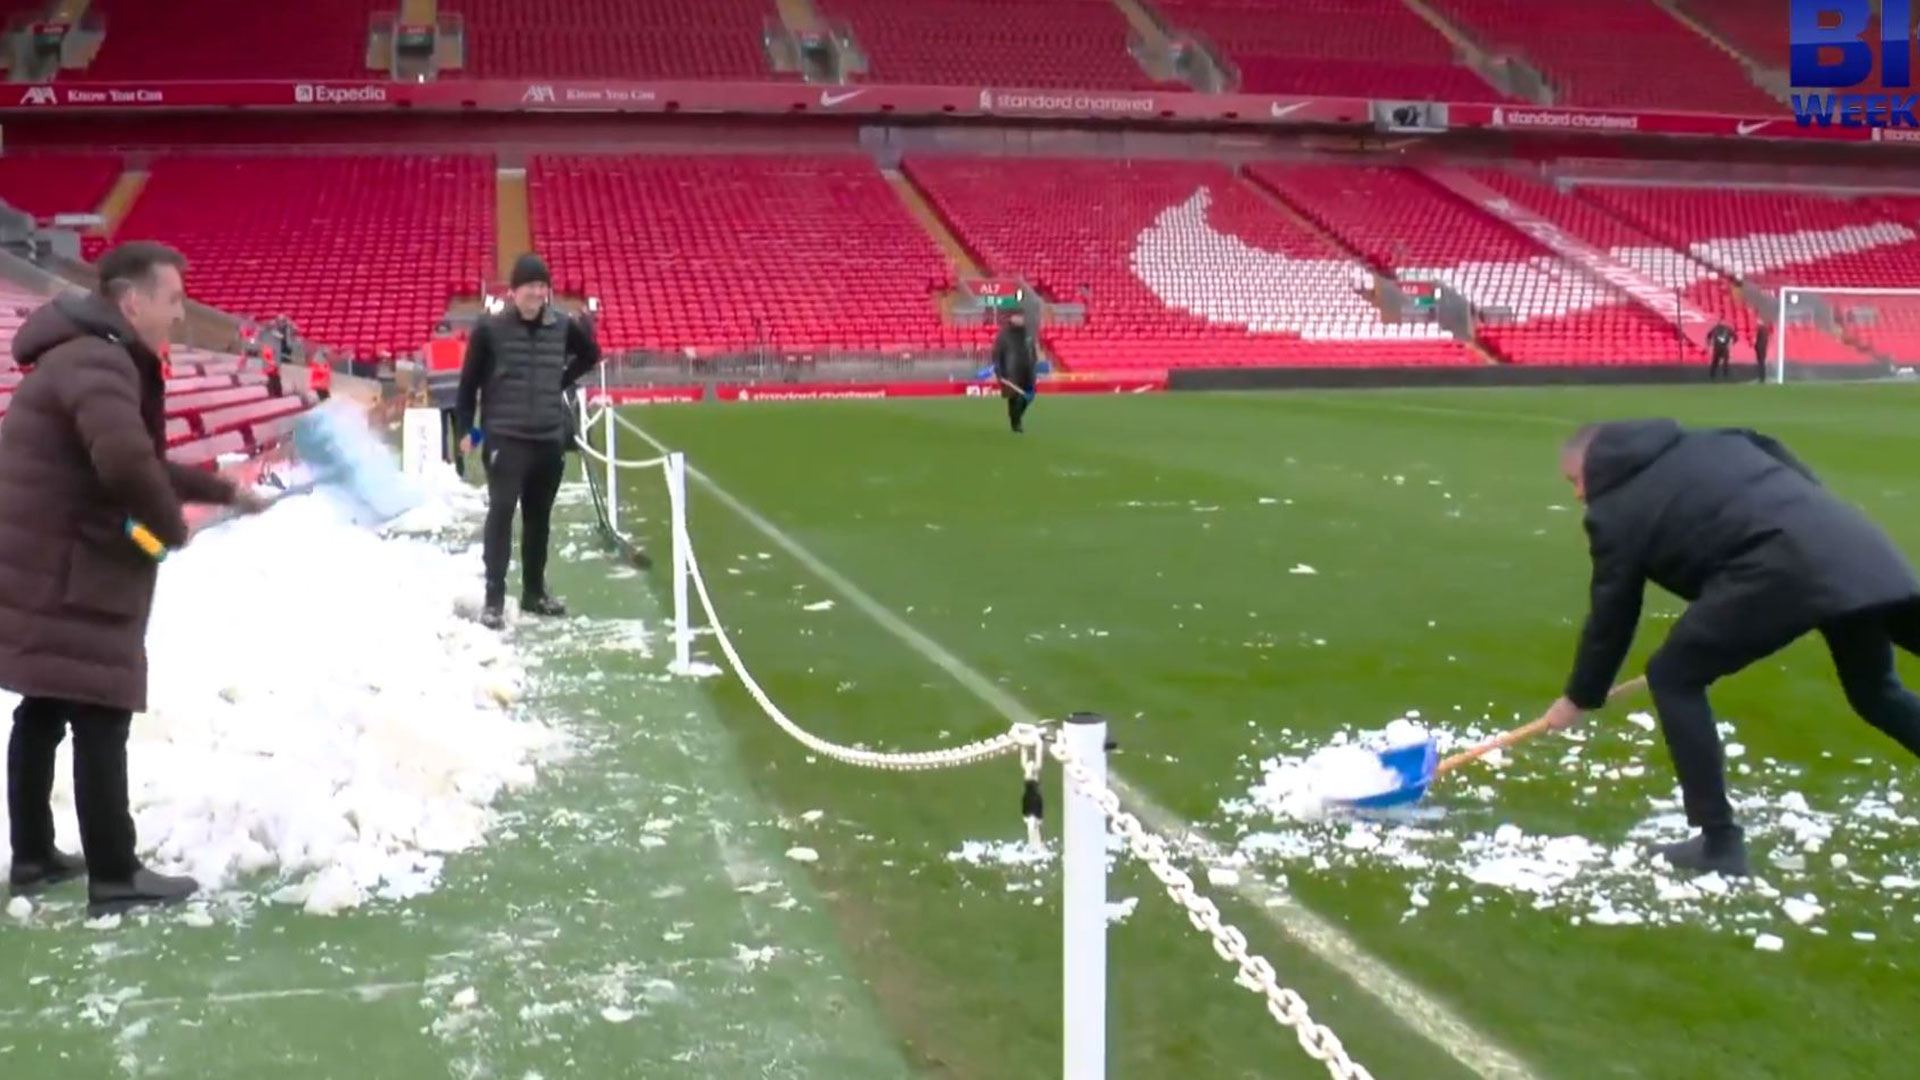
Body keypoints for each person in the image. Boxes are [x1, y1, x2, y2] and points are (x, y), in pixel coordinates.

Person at [0, 242, 269, 915]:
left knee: (46, 702)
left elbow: (140, 459)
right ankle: (115, 876)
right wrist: (174, 528)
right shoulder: (100, 359)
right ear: (132, 300)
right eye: (173, 299)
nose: (180, 315)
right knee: (99, 709)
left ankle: (32, 855)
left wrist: (222, 491)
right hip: (73, 562)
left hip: (45, 554)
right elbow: (125, 464)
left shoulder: (88, 352)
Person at [1544, 419, 1920, 878]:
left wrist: (1580, 697)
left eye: (1574, 481)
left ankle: (1719, 843)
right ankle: (1718, 842)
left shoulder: (1613, 513)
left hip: (1777, 570)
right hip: (1852, 545)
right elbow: (1794, 473)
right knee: (1875, 691)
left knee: (1673, 677)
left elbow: (1613, 615)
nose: (1579, 495)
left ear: (1594, 465)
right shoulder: (1723, 439)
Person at [455, 253, 601, 630]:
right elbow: (468, 385)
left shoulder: (563, 326)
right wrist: (466, 433)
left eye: (542, 286)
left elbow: (591, 354)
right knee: (502, 512)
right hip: (505, 436)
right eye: (530, 286)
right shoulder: (489, 329)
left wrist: (561, 381)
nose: (537, 293)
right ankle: (494, 599)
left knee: (540, 520)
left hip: (548, 437)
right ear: (514, 290)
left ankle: (534, 592)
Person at [991, 307, 1038, 434]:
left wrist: (1033, 364)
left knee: (1028, 397)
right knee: (1014, 399)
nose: (1020, 319)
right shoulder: (1004, 335)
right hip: (1010, 373)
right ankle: (1016, 424)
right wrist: (998, 370)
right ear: (1011, 318)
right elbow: (997, 354)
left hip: (1027, 372)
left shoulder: (1028, 335)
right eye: (1017, 316)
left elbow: (1032, 352)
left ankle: (1016, 418)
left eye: (1021, 316)